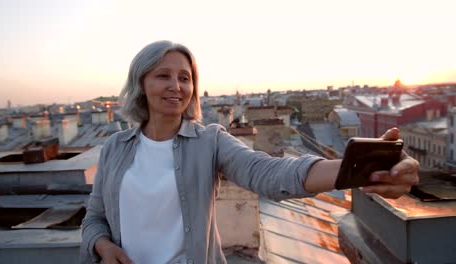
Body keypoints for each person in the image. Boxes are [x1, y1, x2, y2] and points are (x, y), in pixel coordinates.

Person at [80, 40, 419, 264]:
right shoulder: (115, 148)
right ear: (141, 83)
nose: (176, 86)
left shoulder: (209, 140)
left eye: (185, 78)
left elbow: (270, 173)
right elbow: (94, 218)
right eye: (163, 75)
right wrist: (103, 246)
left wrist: (363, 168)